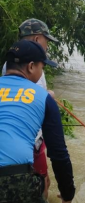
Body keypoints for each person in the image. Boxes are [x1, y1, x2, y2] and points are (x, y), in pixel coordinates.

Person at [0, 40, 75, 203]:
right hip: (13, 178)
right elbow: (58, 154)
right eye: (42, 67)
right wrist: (68, 195)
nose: (42, 72)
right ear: (31, 67)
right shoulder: (43, 97)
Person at [1, 18, 59, 198]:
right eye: (46, 40)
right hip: (31, 140)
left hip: (24, 139)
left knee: (44, 180)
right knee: (41, 183)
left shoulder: (12, 65)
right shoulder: (29, 65)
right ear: (36, 39)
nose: (47, 46)